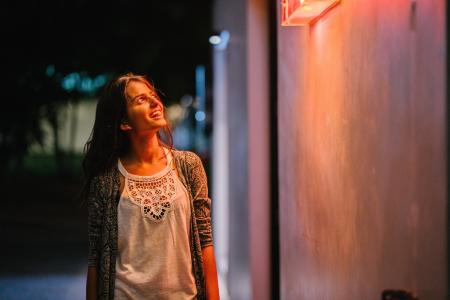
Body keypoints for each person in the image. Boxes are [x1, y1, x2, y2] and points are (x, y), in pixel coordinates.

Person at [82, 73, 220, 300]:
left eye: (153, 96)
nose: (155, 103)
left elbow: (205, 241)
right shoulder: (106, 181)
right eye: (141, 100)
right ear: (124, 123)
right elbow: (95, 257)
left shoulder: (188, 166)